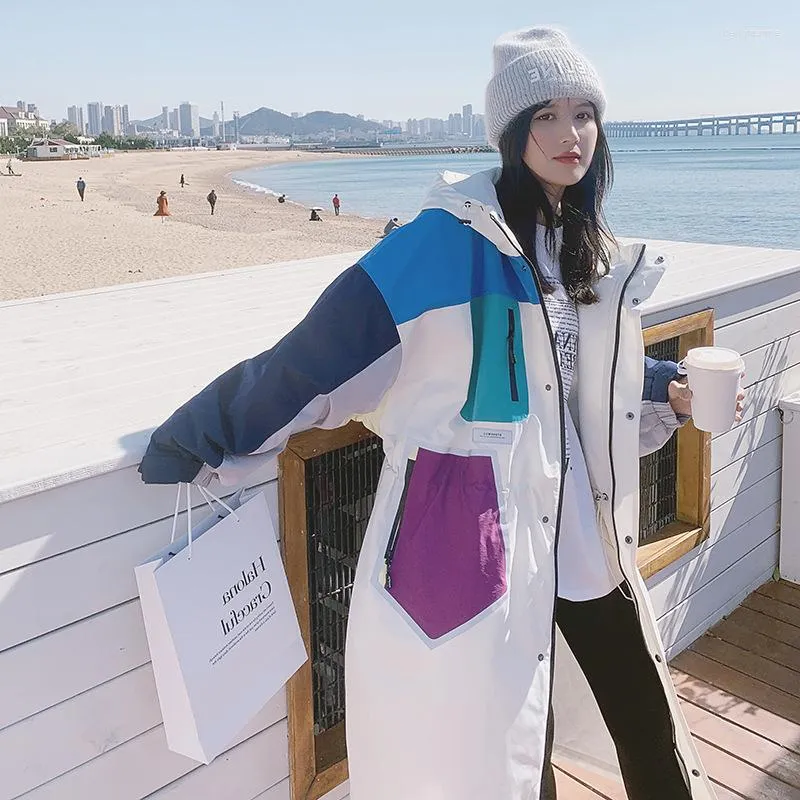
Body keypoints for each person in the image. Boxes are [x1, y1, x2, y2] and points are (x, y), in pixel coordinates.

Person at [139, 27, 746, 800]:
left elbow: (584, 372)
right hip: (487, 534)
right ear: (509, 132)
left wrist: (668, 386)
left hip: (587, 531)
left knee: (648, 726)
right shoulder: (438, 247)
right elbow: (313, 358)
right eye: (546, 117)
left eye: (584, 113)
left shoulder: (586, 244)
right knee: (518, 751)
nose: (570, 135)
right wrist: (199, 434)